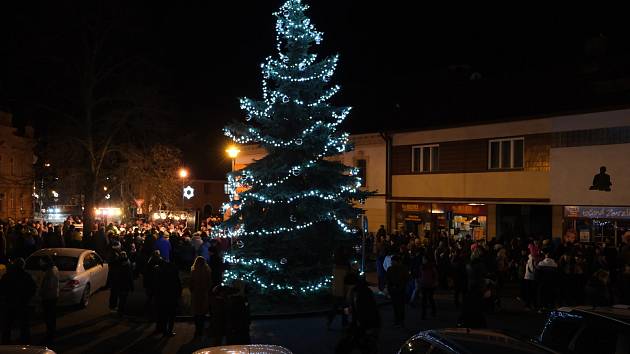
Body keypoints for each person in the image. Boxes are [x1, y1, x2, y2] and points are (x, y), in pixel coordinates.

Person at [335, 276, 381, 354]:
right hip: (367, 323)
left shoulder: (358, 293)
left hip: (366, 323)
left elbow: (362, 310)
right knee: (365, 344)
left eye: (347, 285)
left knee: (366, 344)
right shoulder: (360, 291)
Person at [0, 258, 37, 344]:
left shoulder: (7, 276)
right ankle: (25, 342)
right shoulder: (26, 276)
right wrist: (27, 298)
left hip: (9, 303)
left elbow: (1, 288)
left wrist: (5, 298)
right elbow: (33, 288)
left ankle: (5, 342)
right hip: (22, 304)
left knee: (7, 325)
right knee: (24, 325)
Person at [155, 259, 181, 337]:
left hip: (163, 298)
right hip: (172, 298)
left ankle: (164, 330)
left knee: (164, 315)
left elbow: (157, 287)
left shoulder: (161, 274)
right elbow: (178, 287)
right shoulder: (174, 276)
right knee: (171, 316)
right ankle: (169, 330)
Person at [40, 255, 59, 344]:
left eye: (41, 261)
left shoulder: (50, 271)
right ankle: (51, 333)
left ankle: (50, 334)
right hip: (53, 295)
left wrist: (42, 291)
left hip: (49, 297)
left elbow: (49, 285)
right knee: (51, 316)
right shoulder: (54, 269)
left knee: (49, 316)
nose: (40, 263)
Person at [190, 256, 211, 337]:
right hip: (204, 293)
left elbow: (191, 282)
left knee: (196, 312)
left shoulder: (193, 270)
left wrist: (192, 290)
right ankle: (201, 329)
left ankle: (197, 330)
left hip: (196, 293)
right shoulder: (207, 270)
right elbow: (209, 282)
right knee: (202, 312)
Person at [386, 255, 409, 327]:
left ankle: (399, 320)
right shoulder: (401, 268)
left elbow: (406, 279)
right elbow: (388, 279)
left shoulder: (401, 269)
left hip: (398, 289)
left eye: (393, 261)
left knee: (398, 306)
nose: (392, 262)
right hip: (397, 289)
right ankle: (399, 320)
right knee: (398, 306)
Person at [113, 251, 134, 316]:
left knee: (121, 298)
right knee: (123, 299)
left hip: (120, 285)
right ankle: (121, 311)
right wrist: (132, 286)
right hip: (125, 285)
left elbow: (115, 275)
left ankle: (120, 310)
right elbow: (130, 277)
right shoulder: (128, 266)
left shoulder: (117, 265)